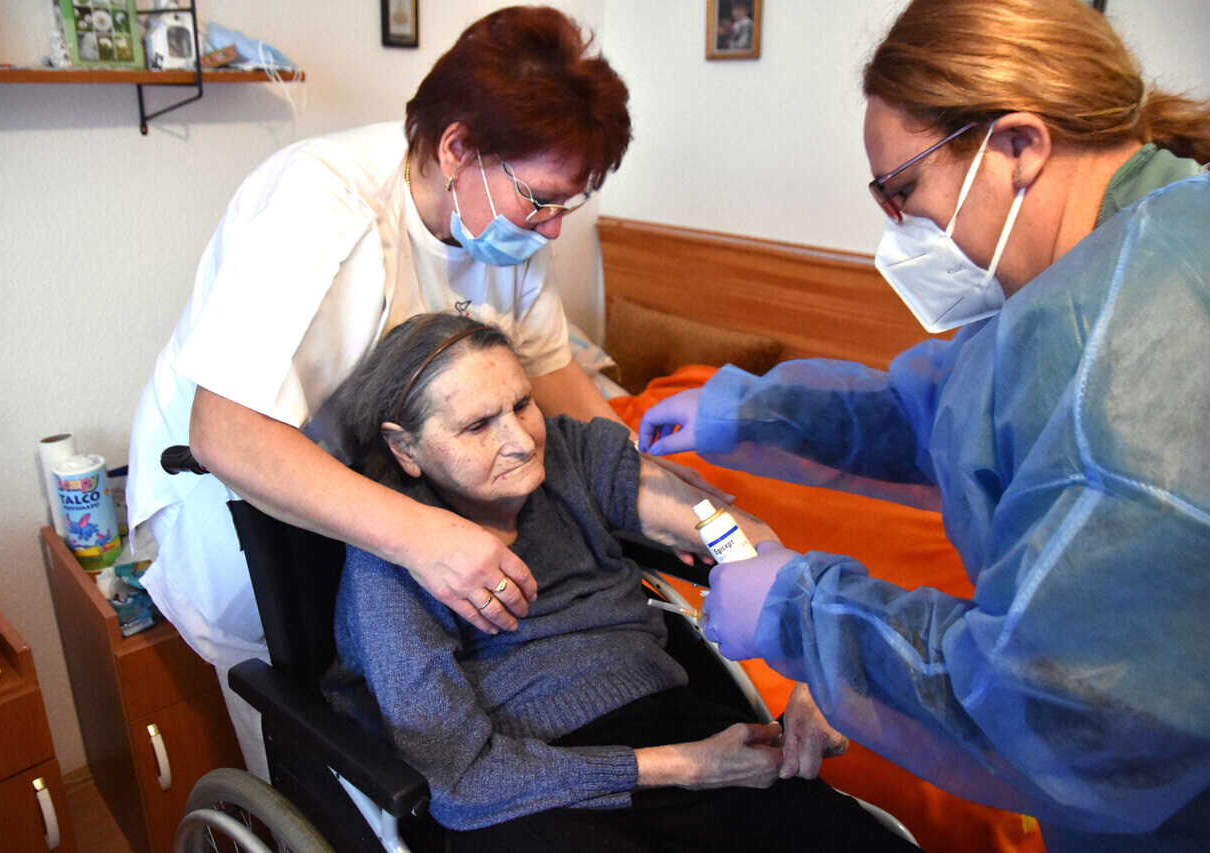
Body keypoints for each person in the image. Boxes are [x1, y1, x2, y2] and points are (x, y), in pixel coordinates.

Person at [637, 1, 1210, 850]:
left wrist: (805, 612)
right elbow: (946, 413)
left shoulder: (1130, 342)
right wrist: (746, 410)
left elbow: (1056, 710)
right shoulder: (1114, 261)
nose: (898, 228)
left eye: (901, 190)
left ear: (1018, 146)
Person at [127, 6, 634, 779]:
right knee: (319, 764)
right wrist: (424, 539)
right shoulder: (324, 206)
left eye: (567, 204)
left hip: (385, 509)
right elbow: (224, 431)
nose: (553, 229)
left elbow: (552, 367)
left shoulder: (509, 222)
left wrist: (638, 479)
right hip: (249, 509)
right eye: (540, 199)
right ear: (457, 147)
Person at [322, 312, 916, 852]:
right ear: (406, 448)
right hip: (528, 791)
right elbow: (463, 781)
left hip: (670, 721)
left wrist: (815, 663)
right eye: (478, 426)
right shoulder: (388, 564)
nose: (522, 442)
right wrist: (688, 766)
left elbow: (737, 535)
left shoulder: (575, 456)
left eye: (523, 404)